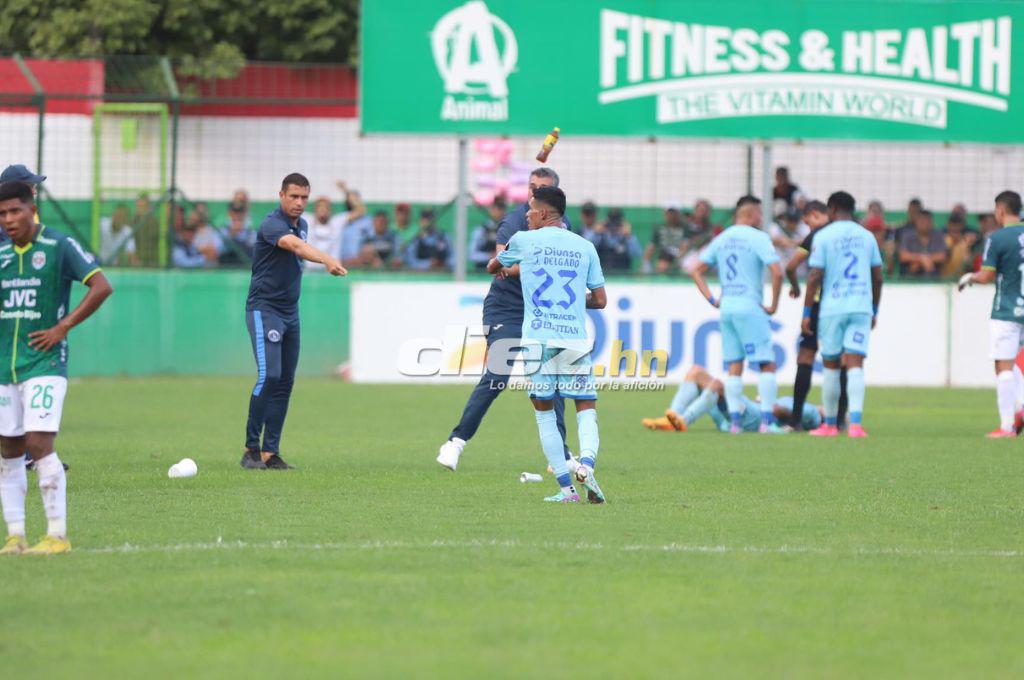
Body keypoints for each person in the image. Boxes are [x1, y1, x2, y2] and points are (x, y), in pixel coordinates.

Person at [0, 181, 113, 555]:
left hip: (45, 362)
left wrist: (63, 327)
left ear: (32, 210)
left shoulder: (58, 245)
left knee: (38, 443)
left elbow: (101, 286)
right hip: (5, 366)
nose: (9, 219)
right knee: (8, 449)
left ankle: (57, 535)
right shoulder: (2, 255)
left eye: (15, 211)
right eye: (2, 214)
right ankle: (15, 536)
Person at [436, 168, 573, 472]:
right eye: (532, 186)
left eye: (542, 188)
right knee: (498, 374)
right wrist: (543, 269)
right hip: (507, 308)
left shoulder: (563, 225)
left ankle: (560, 455)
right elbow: (501, 265)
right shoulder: (515, 222)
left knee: (551, 379)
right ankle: (455, 442)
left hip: (540, 311)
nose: (534, 193)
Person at [489, 185, 608, 503]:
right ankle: (586, 465)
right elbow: (600, 300)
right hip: (573, 338)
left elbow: (492, 266)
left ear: (543, 213)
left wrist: (505, 268)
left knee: (544, 414)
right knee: (585, 406)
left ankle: (567, 490)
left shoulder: (523, 240)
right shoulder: (585, 246)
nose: (526, 215)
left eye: (530, 209)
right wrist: (572, 301)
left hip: (538, 340)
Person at [240, 173, 347, 471]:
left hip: (290, 312)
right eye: (294, 196)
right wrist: (327, 258)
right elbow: (297, 248)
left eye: (304, 197)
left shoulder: (303, 225)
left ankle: (270, 453)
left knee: (285, 381)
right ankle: (250, 448)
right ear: (281, 196)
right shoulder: (272, 224)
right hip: (265, 310)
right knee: (270, 376)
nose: (299, 202)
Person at [691, 195, 785, 434]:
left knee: (734, 365)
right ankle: (767, 423)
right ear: (751, 214)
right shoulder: (758, 238)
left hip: (727, 308)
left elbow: (696, 270)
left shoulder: (721, 239)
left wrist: (713, 299)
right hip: (750, 306)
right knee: (766, 363)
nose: (761, 218)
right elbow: (777, 272)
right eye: (760, 214)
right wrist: (773, 304)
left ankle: (735, 424)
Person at [802, 191, 883, 438]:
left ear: (832, 209)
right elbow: (878, 277)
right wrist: (874, 309)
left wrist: (806, 312)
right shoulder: (867, 236)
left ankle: (829, 425)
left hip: (832, 308)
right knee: (856, 364)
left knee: (831, 365)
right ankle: (855, 425)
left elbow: (814, 276)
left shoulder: (824, 236)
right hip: (860, 306)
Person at [957, 190, 1024, 438]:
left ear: (1000, 210)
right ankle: (1021, 408)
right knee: (1017, 363)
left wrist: (969, 278)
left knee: (1003, 364)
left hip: (1006, 310)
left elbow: (986, 276)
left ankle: (1006, 426)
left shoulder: (997, 238)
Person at [785, 200, 849, 430]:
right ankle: (840, 420)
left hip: (819, 303)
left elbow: (791, 266)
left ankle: (795, 420)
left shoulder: (818, 236)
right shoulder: (849, 235)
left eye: (807, 222)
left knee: (806, 356)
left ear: (814, 214)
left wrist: (795, 286)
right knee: (842, 360)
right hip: (844, 302)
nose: (808, 227)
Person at [641, 364, 823, 433]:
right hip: (744, 411)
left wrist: (772, 407)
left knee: (718, 386)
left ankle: (683, 421)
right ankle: (672, 418)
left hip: (753, 417)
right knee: (695, 371)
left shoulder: (810, 411)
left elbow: (788, 414)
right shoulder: (800, 404)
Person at [898, 210, 947, 278]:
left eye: (927, 221)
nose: (925, 224)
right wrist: (921, 258)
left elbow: (942, 256)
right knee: (913, 267)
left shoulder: (938, 236)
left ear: (932, 223)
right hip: (910, 275)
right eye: (922, 221)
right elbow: (903, 256)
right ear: (916, 222)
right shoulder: (907, 236)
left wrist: (925, 260)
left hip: (933, 274)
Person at [643, 204, 687, 274]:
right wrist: (646, 264)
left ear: (678, 214)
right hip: (663, 256)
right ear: (665, 213)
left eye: (674, 213)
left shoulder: (685, 228)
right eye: (669, 212)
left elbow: (685, 247)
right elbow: (650, 247)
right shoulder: (659, 228)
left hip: (680, 256)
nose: (671, 215)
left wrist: (677, 259)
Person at [304, 197, 344, 272]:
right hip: (310, 270)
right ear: (315, 209)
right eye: (320, 207)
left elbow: (359, 210)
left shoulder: (337, 221)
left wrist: (345, 191)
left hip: (333, 269)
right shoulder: (307, 219)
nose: (323, 209)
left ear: (331, 210)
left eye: (326, 207)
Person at [469, 197, 506, 270]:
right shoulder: (481, 230)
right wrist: (489, 256)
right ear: (490, 209)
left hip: (503, 271)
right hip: (483, 271)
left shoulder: (508, 229)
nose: (499, 211)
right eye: (496, 208)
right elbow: (472, 255)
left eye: (501, 208)